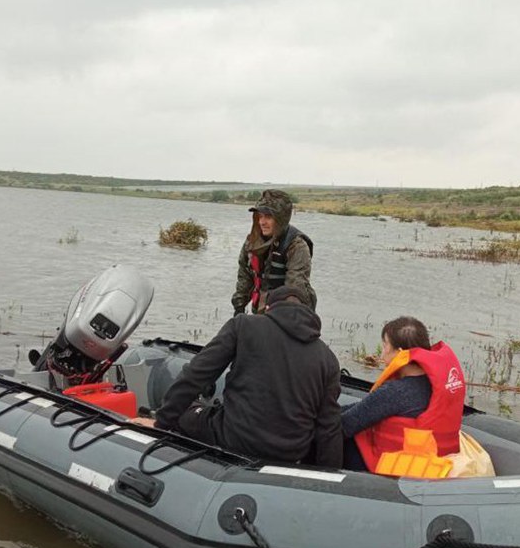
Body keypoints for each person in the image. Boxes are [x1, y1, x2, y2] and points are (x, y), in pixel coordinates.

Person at [131, 285, 342, 468]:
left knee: (187, 413)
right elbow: (329, 428)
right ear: (310, 313)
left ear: (268, 308)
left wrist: (161, 422)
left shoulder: (243, 326)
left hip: (234, 438)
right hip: (289, 453)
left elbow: (196, 374)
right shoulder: (328, 359)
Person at [341, 317, 466, 472]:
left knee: (334, 433)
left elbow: (345, 424)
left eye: (385, 344)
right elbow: (365, 408)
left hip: (396, 468)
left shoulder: (396, 392)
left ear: (400, 353)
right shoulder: (437, 384)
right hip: (432, 463)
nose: (383, 350)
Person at [232, 189, 317, 315]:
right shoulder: (252, 243)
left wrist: (280, 318)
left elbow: (295, 288)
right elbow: (245, 277)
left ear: (281, 219)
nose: (262, 222)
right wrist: (239, 308)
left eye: (268, 217)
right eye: (260, 216)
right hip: (261, 311)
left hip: (290, 314)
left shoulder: (296, 246)